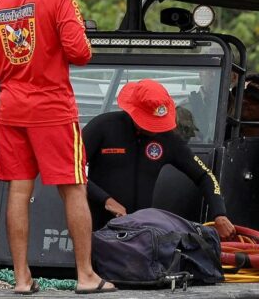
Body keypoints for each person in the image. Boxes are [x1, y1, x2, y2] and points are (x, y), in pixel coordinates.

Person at [0, 0, 115, 294]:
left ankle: (21, 279)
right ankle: (86, 276)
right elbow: (79, 52)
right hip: (53, 110)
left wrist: (19, 69)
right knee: (74, 187)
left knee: (18, 191)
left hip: (11, 110)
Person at [83, 79, 236, 239]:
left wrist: (219, 213)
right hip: (96, 229)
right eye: (149, 121)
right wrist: (106, 200)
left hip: (139, 233)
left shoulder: (168, 138)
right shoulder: (103, 126)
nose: (154, 129)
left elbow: (205, 175)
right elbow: (71, 168)